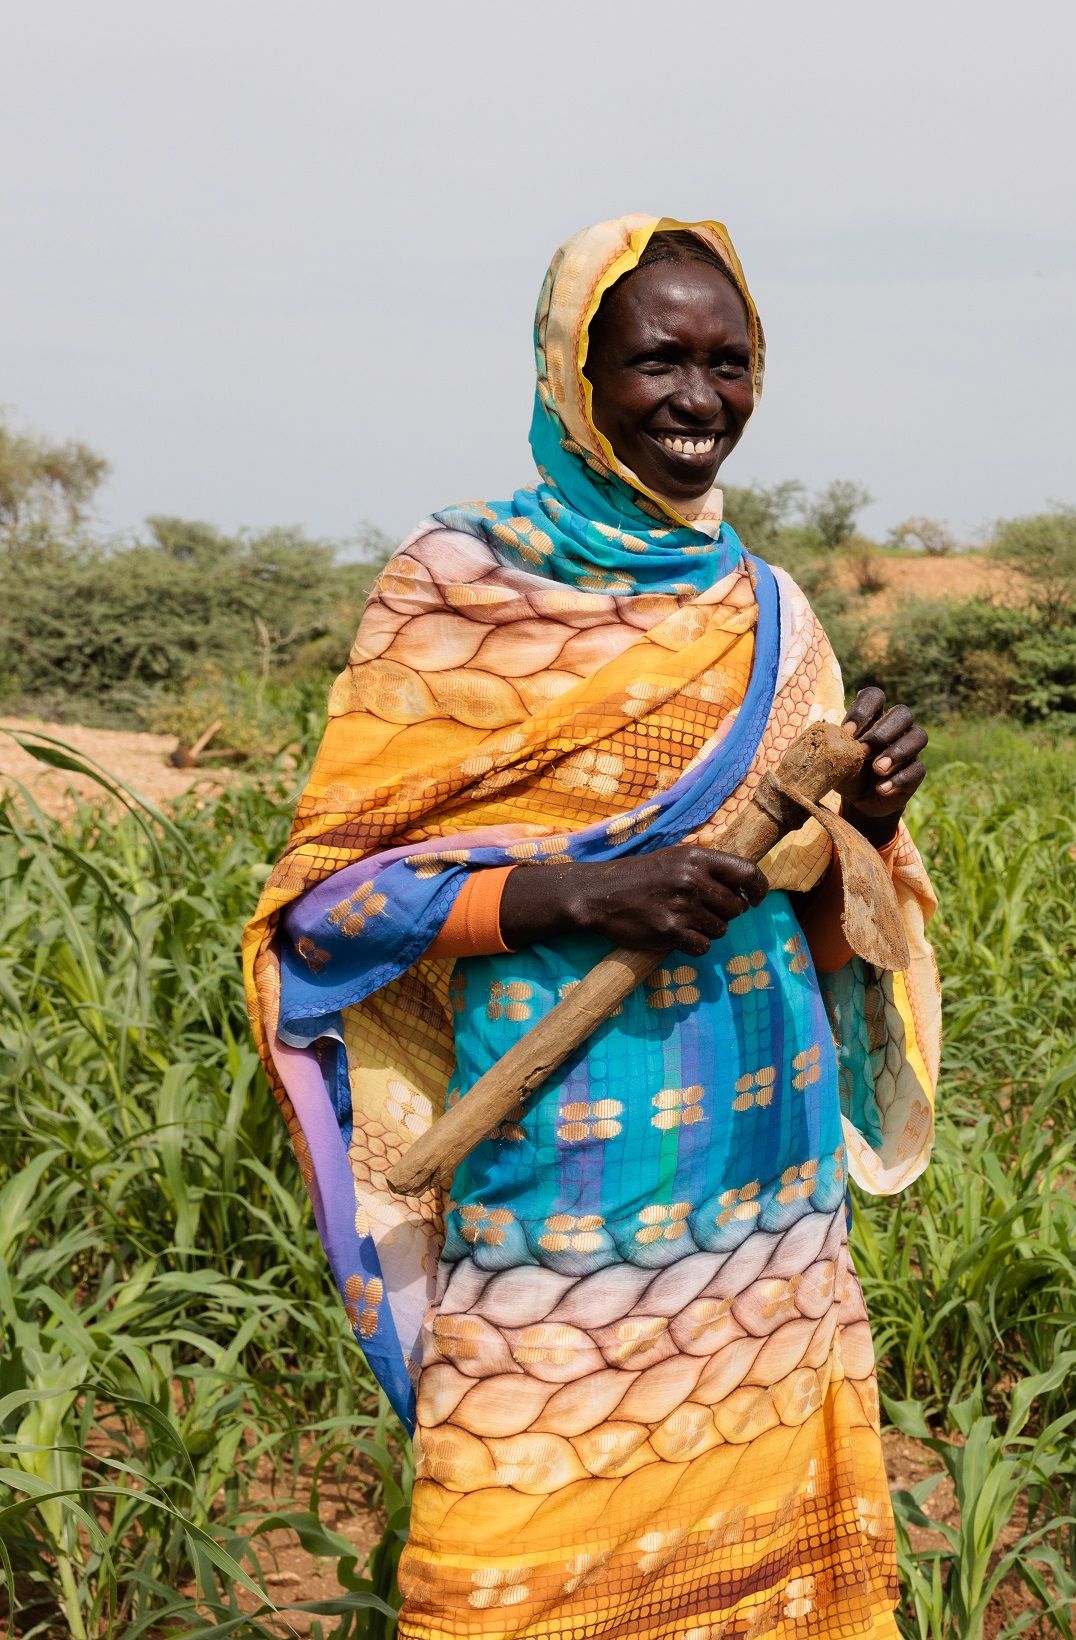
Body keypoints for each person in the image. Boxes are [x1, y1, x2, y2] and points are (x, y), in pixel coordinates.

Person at [242, 216, 941, 1639]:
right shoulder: (454, 589)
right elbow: (332, 909)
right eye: (657, 362)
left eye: (729, 362)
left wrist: (866, 817)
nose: (700, 399)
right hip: (559, 1164)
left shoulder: (769, 609)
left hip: (765, 1173)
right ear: (575, 376)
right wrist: (581, 895)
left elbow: (830, 921)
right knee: (523, 1535)